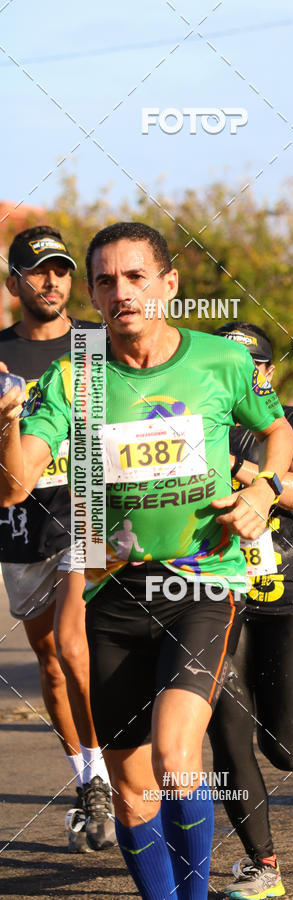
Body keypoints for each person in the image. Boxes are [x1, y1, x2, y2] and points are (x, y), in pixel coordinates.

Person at [0, 221, 293, 900]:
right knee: (133, 791)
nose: (120, 292)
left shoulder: (220, 361)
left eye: (135, 277)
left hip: (203, 581)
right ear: (95, 296)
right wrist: (7, 418)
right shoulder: (77, 377)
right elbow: (14, 483)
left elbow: (276, 429)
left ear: (169, 284)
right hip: (113, 590)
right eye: (105, 281)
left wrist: (264, 489)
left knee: (176, 757)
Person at [208, 322, 293, 900]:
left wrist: (236, 470)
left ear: (268, 373)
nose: (243, 373)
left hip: (290, 593)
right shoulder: (196, 421)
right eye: (228, 363)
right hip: (214, 594)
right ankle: (263, 865)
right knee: (227, 731)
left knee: (280, 744)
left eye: (253, 364)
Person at [1, 225, 114, 851]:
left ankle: (114, 772)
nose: (53, 281)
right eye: (39, 270)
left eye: (62, 270)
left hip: (89, 508)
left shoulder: (96, 346)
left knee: (77, 647)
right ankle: (87, 779)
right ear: (13, 282)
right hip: (19, 518)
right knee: (49, 660)